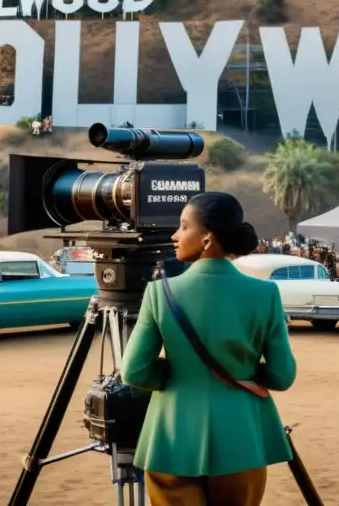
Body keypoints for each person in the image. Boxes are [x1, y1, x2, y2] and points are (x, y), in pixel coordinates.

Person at [121, 192, 296, 506]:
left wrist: (178, 375)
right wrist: (244, 372)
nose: (175, 236)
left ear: (207, 238)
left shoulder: (160, 293)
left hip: (171, 438)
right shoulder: (266, 294)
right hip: (242, 438)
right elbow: (282, 376)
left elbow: (134, 371)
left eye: (184, 226)